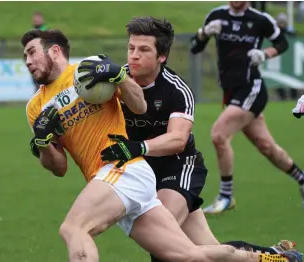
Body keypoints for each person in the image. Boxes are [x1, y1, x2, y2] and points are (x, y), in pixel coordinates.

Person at [22, 29, 302, 262]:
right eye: (25, 56)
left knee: (73, 228)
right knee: (191, 256)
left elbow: (140, 105)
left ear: (55, 51)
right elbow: (58, 168)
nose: (28, 60)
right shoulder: (35, 107)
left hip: (124, 168)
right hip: (119, 179)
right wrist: (44, 143)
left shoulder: (88, 70)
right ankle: (273, 258)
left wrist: (119, 77)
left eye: (32, 52)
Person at [98, 17, 302, 262]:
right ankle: (276, 257)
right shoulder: (115, 83)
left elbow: (177, 140)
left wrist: (138, 147)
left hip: (179, 168)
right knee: (210, 251)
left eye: (144, 50)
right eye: (131, 48)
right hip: (142, 173)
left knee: (162, 239)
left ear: (162, 56)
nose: (134, 56)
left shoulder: (176, 90)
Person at [190, 1, 304, 214]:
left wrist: (265, 54)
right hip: (230, 92)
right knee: (266, 147)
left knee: (218, 135)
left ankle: (225, 196)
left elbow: (282, 44)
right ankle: (302, 179)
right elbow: (195, 47)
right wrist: (203, 32)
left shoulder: (260, 20)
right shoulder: (216, 15)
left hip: (252, 88)